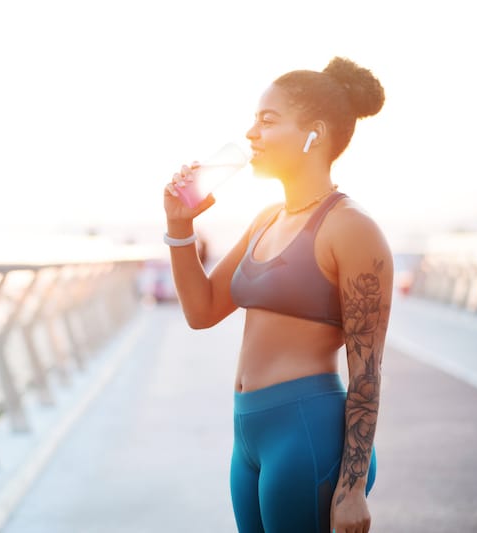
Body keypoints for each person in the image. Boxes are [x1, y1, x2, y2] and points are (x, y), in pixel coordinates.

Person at [162, 57, 392, 533]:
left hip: (306, 432)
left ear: (316, 133)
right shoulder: (266, 218)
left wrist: (350, 488)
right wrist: (179, 226)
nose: (251, 133)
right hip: (248, 433)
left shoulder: (351, 228)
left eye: (267, 121)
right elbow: (202, 311)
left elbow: (366, 370)